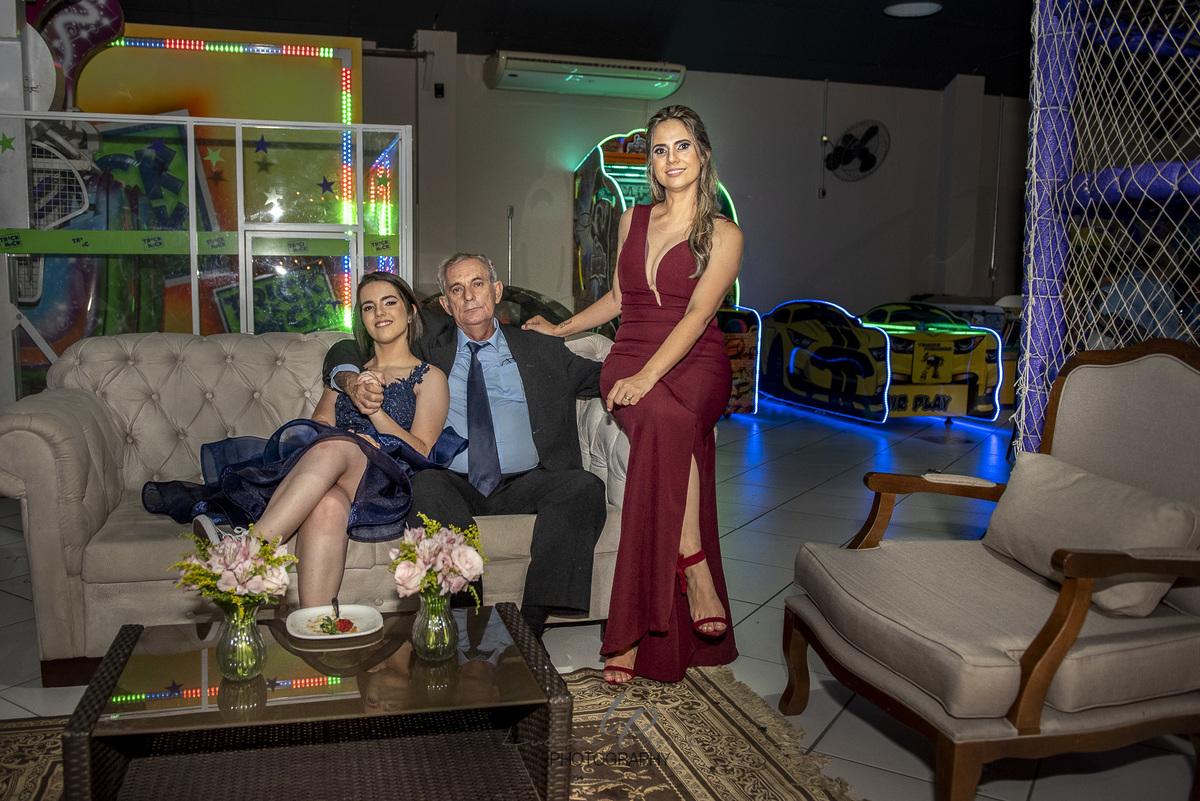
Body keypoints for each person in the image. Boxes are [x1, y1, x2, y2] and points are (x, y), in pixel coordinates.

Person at [523, 105, 741, 684]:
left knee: (666, 425)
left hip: (695, 361)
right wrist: (561, 328)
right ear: (651, 163)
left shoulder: (725, 234)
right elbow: (619, 299)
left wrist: (649, 378)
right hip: (629, 352)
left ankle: (634, 628)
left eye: (682, 146)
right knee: (667, 430)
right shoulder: (632, 219)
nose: (671, 159)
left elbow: (697, 316)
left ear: (703, 154)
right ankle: (694, 569)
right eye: (659, 149)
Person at [323, 253, 608, 638]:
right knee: (424, 485)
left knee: (584, 487)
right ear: (446, 304)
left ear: (496, 290)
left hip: (526, 481)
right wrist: (349, 378)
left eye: (477, 284)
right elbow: (347, 348)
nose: (469, 296)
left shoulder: (539, 348)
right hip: (453, 481)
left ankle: (529, 628)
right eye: (457, 289)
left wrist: (653, 371)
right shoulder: (428, 346)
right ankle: (466, 623)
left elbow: (605, 377)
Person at [143, 272, 456, 608]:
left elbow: (422, 449)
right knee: (328, 505)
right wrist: (350, 415)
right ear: (362, 320)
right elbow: (319, 422)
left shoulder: (430, 377)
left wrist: (374, 412)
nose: (379, 312)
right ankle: (316, 623)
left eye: (389, 302)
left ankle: (248, 552)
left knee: (340, 446)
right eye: (368, 307)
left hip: (388, 479)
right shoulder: (350, 375)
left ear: (410, 311)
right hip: (337, 467)